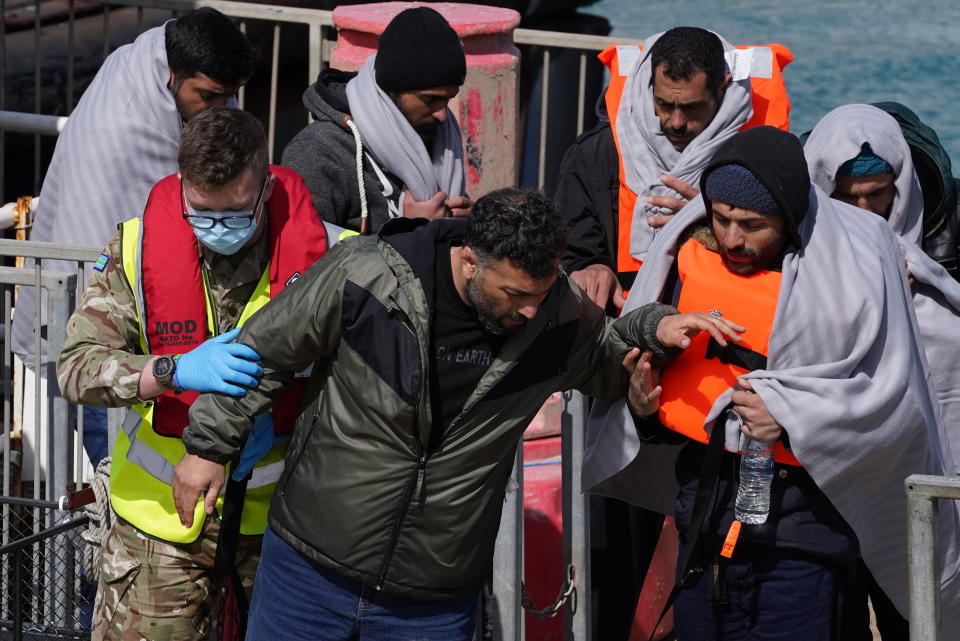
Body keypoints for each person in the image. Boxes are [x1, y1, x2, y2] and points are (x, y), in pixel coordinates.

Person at [169, 188, 741, 640]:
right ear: (469, 260)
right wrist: (208, 447)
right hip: (309, 570)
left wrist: (655, 332)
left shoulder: (557, 316)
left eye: (541, 293)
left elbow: (611, 361)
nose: (530, 309)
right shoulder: (365, 274)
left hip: (434, 598)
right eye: (514, 293)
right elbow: (260, 352)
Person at [582, 126, 960, 640]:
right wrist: (645, 410)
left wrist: (792, 416)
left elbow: (894, 405)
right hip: (707, 526)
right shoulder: (687, 253)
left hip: (804, 539)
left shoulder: (859, 263)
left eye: (753, 225)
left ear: (789, 214)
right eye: (722, 220)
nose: (734, 239)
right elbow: (669, 408)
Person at [56, 107, 329, 641]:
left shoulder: (330, 256)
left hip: (280, 534)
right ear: (181, 186)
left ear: (266, 185)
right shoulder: (135, 249)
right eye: (202, 212)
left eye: (236, 213)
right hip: (155, 536)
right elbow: (75, 367)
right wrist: (172, 368)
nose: (218, 228)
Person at [14, 7, 255, 465]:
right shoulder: (125, 126)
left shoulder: (146, 58)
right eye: (209, 96)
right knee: (124, 465)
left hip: (160, 343)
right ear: (172, 74)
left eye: (230, 97)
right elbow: (160, 232)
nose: (222, 110)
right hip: (109, 330)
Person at [805, 103, 960, 640]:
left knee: (917, 603)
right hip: (843, 456)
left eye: (879, 195)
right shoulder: (798, 235)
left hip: (930, 444)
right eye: (848, 199)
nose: (866, 212)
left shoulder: (947, 220)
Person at [554, 26, 792, 311]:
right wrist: (590, 266)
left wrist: (711, 226)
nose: (676, 122)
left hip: (719, 315)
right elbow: (571, 241)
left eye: (692, 108)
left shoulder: (767, 160)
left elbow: (791, 249)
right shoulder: (595, 153)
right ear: (649, 86)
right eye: (664, 104)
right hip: (620, 314)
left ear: (723, 89)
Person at [282, 6, 472, 235]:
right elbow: (309, 257)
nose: (443, 114)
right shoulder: (317, 152)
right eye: (430, 99)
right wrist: (405, 230)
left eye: (448, 99)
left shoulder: (439, 134)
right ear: (391, 91)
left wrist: (466, 222)